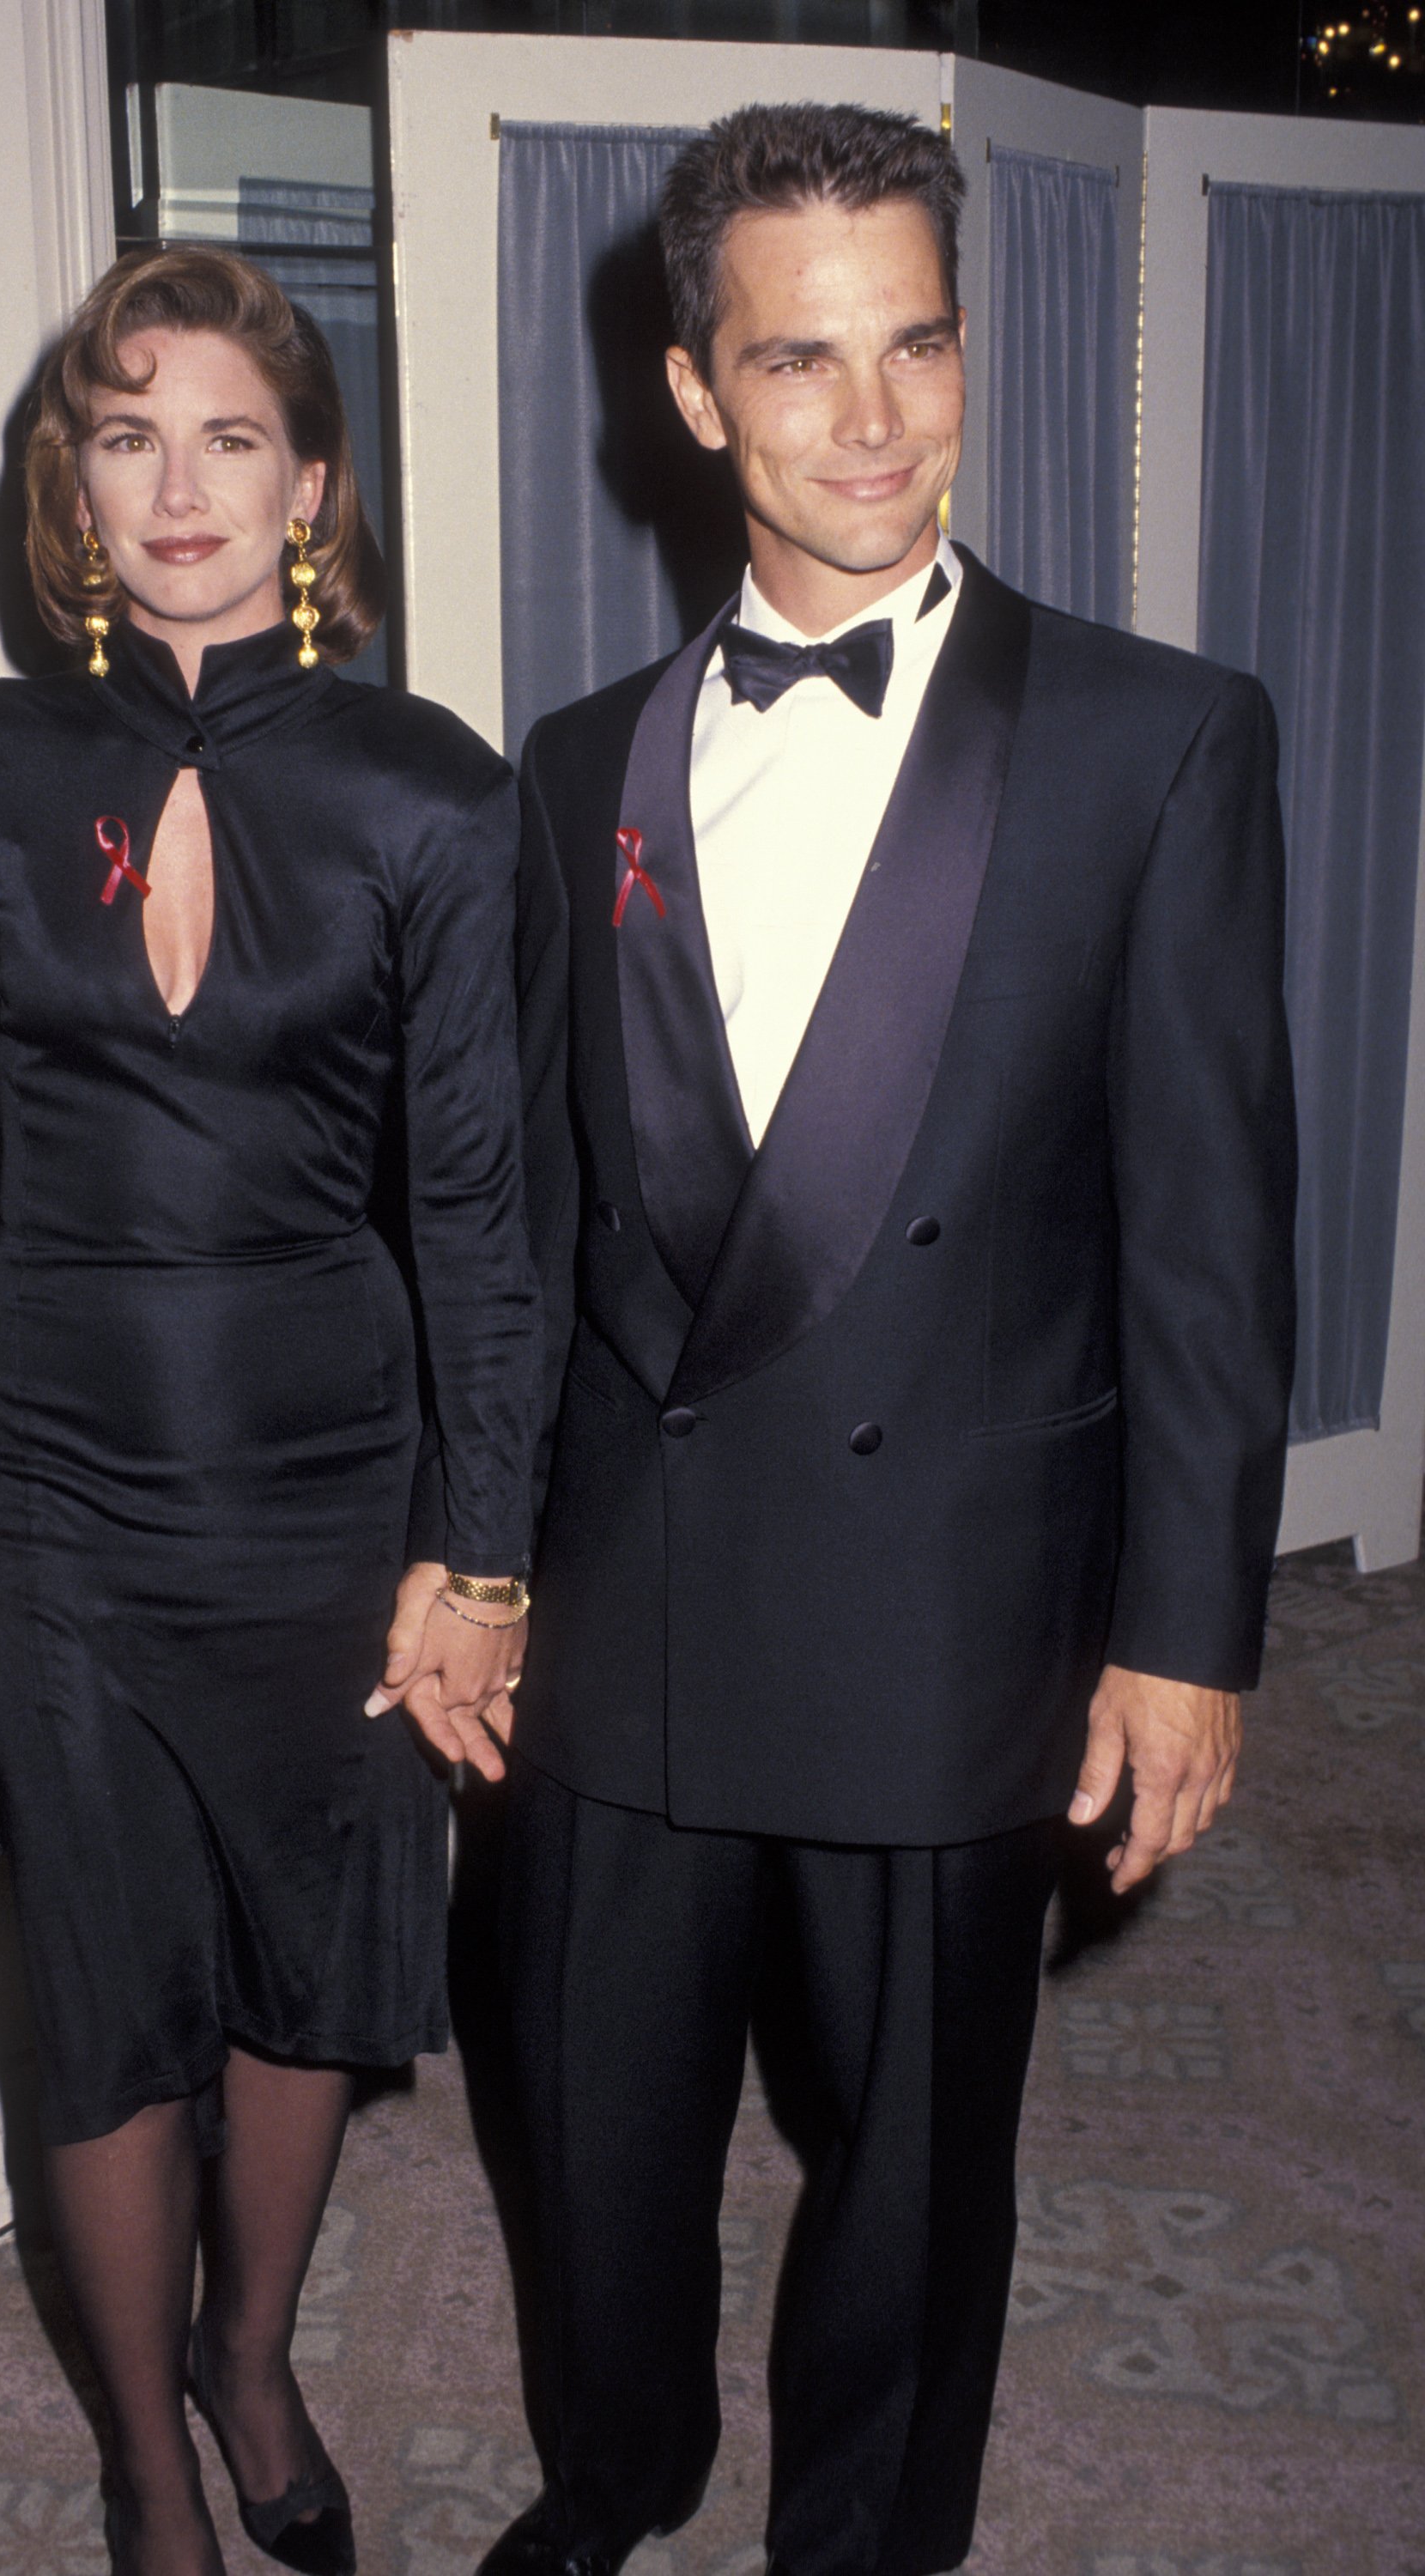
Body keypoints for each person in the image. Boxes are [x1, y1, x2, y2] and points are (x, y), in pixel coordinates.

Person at [486, 104, 1296, 2576]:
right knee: (585, 2142)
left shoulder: (1159, 740)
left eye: (918, 344)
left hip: (951, 1601)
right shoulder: (579, 769)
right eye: (802, 359)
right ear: (694, 393)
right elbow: (529, 1227)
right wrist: (470, 1556)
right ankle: (616, 2477)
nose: (875, 421)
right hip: (625, 1613)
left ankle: (865, 2545)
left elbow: (1209, 1233)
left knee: (915, 2181)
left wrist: (1185, 1639)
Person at [0, 246, 537, 2576]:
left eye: (230, 434)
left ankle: (257, 2356)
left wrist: (483, 1550)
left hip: (336, 1500)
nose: (178, 485)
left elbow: (480, 1218)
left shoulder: (436, 799)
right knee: (105, 1994)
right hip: (44, 1499)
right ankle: (152, 2460)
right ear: (75, 481)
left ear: (310, 483)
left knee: (301, 1965)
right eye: (126, 433)